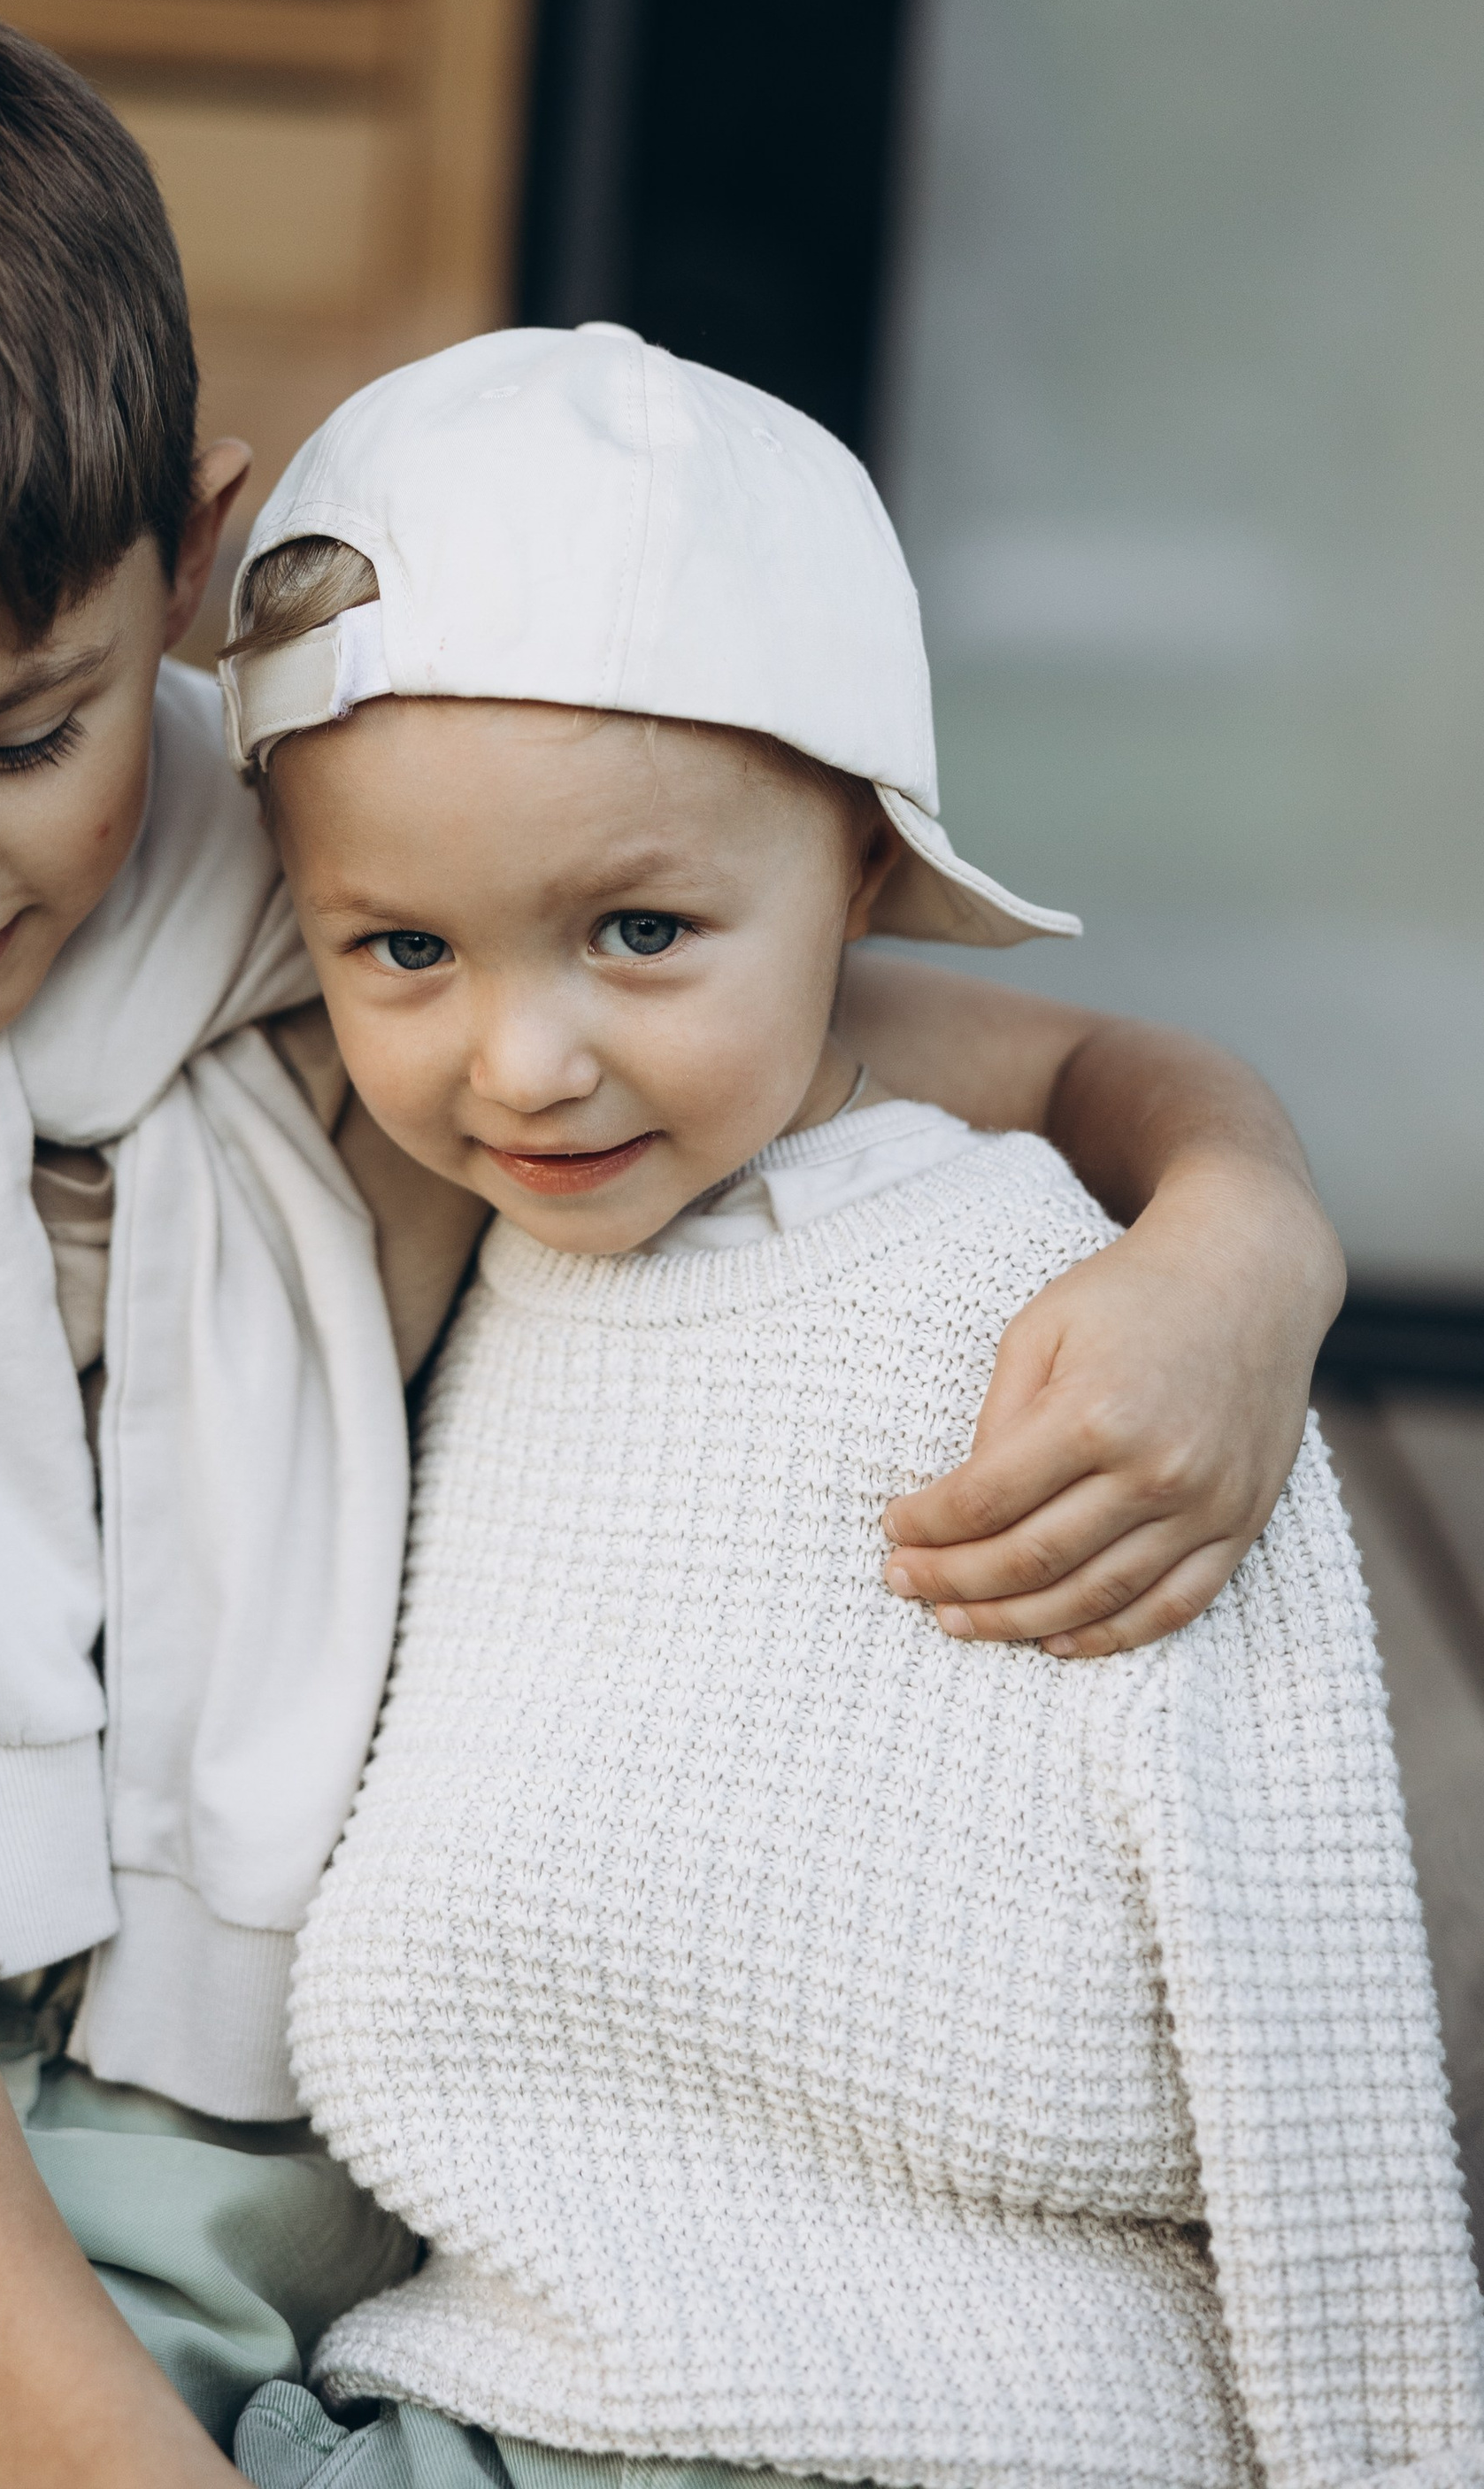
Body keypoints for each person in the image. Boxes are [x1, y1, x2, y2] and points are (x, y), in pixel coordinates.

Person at [0, 0, 1342, 2489]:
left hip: (203, 2057)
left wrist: (1247, 1241)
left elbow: (1048, 1063)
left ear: (188, 562)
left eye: (27, 733)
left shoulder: (397, 944)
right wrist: (70, 2432)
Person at [219, 323, 1484, 2489]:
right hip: (488, 2344)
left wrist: (1239, 1229)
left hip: (958, 2387)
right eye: (401, 952)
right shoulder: (333, 1172)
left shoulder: (1023, 1293)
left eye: (634, 930)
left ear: (866, 881)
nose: (515, 1064)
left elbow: (1290, 1964)